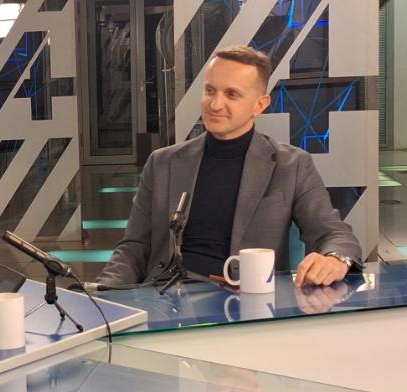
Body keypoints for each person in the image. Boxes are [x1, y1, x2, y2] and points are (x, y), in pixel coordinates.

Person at [97, 45, 362, 289]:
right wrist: (103, 293)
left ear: (260, 105)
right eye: (210, 91)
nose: (215, 104)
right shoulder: (162, 162)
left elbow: (333, 233)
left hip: (246, 302)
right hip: (165, 300)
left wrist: (336, 258)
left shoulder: (291, 165)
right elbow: (134, 247)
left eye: (232, 94)